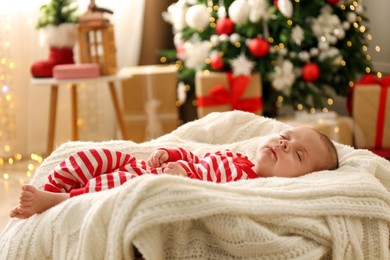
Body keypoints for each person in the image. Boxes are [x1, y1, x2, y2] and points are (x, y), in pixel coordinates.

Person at [10, 126, 338, 219]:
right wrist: (169, 153)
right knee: (93, 156)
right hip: (140, 166)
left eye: (296, 153)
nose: (282, 145)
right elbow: (193, 154)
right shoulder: (234, 156)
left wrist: (181, 176)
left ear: (301, 180)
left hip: (149, 183)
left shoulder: (254, 187)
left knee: (113, 190)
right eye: (284, 137)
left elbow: (209, 197)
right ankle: (52, 187)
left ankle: (56, 200)